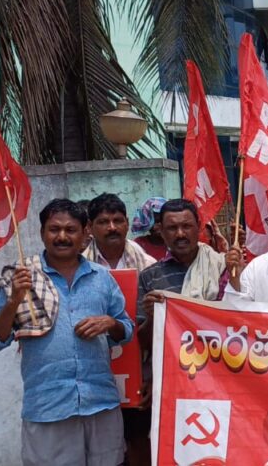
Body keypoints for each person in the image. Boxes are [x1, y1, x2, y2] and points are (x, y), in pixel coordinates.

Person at [0, 198, 134, 465]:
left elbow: (126, 329)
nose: (62, 236)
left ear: (84, 233)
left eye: (70, 230)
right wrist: (13, 301)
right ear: (42, 233)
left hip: (101, 404)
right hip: (48, 409)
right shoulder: (21, 277)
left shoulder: (101, 277)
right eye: (54, 229)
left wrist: (110, 323)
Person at [128, 199, 234, 463]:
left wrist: (237, 274)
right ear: (160, 231)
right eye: (172, 228)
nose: (180, 234)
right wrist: (153, 316)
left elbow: (239, 323)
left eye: (186, 226)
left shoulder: (223, 267)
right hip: (173, 383)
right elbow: (143, 342)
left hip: (222, 379)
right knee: (176, 451)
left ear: (199, 227)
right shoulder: (150, 277)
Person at [83, 193, 156, 271]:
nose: (112, 228)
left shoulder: (148, 266)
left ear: (127, 223)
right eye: (103, 222)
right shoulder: (79, 267)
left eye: (118, 221)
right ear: (90, 226)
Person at [131, 196, 168, 261]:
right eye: (152, 222)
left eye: (160, 221)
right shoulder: (139, 244)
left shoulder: (174, 244)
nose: (156, 227)